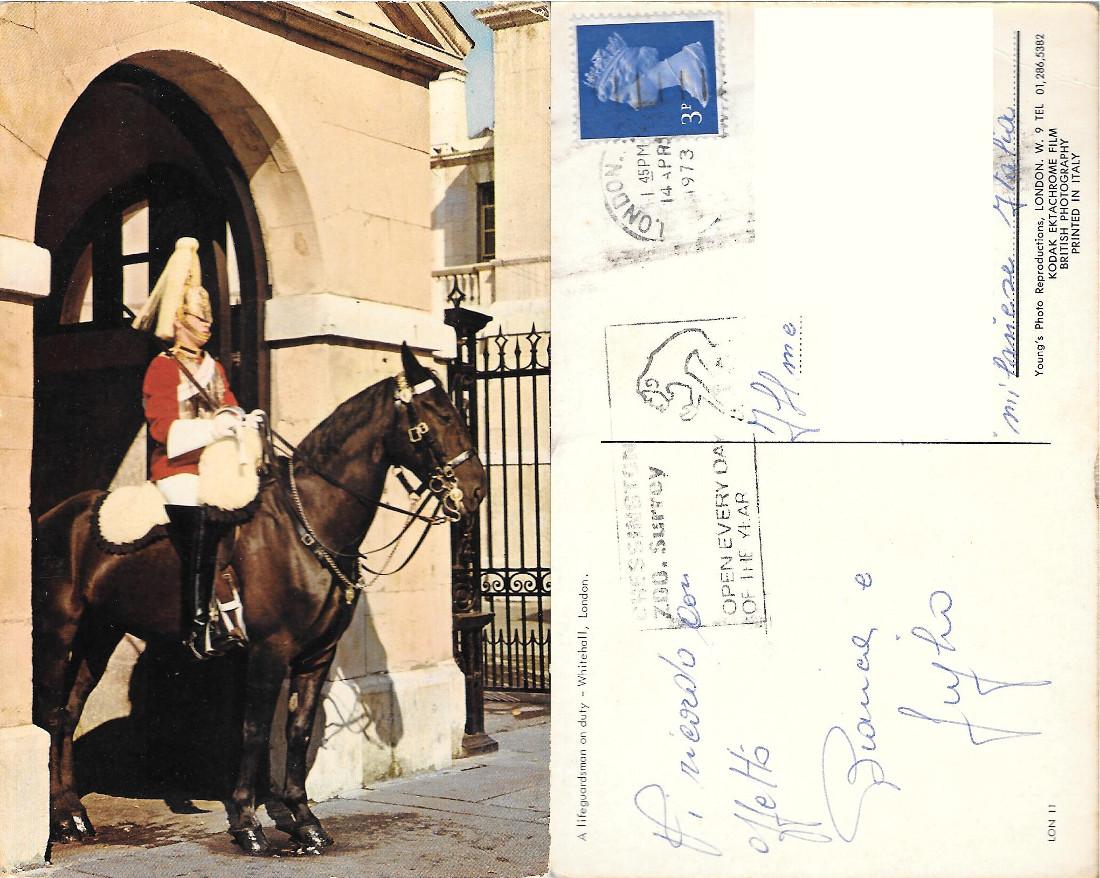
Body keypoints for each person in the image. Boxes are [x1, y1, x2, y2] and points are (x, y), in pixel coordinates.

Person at [132, 237, 254, 659]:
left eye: (208, 320)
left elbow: (229, 405)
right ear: (180, 322)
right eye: (201, 320)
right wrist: (215, 428)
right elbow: (165, 430)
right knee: (201, 516)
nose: (209, 326)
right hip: (176, 471)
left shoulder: (214, 367)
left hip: (216, 469)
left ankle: (238, 612)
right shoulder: (162, 368)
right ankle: (198, 626)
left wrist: (242, 421)